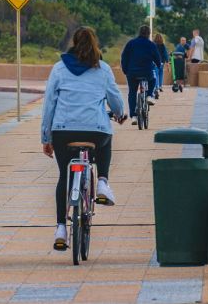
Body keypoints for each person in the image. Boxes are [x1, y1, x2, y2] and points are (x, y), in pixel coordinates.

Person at [41, 26, 126, 250]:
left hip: (63, 131)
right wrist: (119, 114)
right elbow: (115, 98)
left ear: (73, 43)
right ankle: (102, 182)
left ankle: (60, 228)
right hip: (95, 131)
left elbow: (49, 104)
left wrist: (46, 137)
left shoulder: (59, 69)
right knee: (107, 135)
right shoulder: (103, 69)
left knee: (63, 176)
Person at [121, 25, 161, 124]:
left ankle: (134, 116)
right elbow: (157, 59)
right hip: (146, 72)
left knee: (132, 92)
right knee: (153, 79)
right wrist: (158, 64)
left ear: (139, 32)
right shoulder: (151, 45)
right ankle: (149, 96)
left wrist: (125, 70)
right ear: (149, 33)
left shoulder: (131, 43)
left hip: (132, 73)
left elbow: (124, 57)